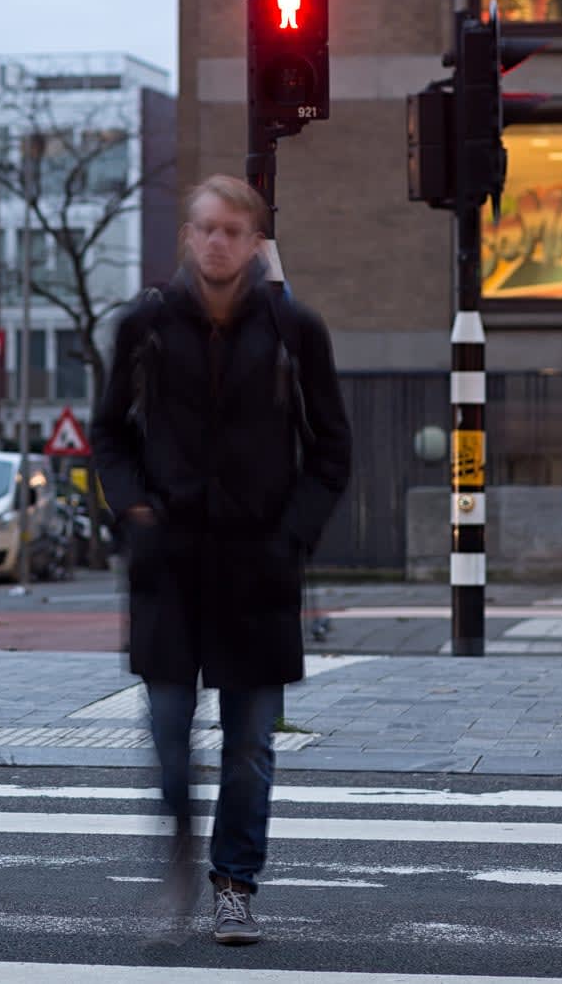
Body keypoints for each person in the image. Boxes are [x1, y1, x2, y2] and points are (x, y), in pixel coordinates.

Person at [89, 175, 351, 946]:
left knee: (249, 748)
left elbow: (332, 448)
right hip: (168, 566)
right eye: (205, 227)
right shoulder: (145, 326)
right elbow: (109, 435)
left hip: (257, 568)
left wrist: (293, 535)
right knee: (171, 742)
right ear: (188, 236)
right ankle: (178, 851)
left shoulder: (295, 331)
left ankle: (234, 883)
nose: (217, 241)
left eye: (233, 229)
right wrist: (135, 511)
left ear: (255, 239)